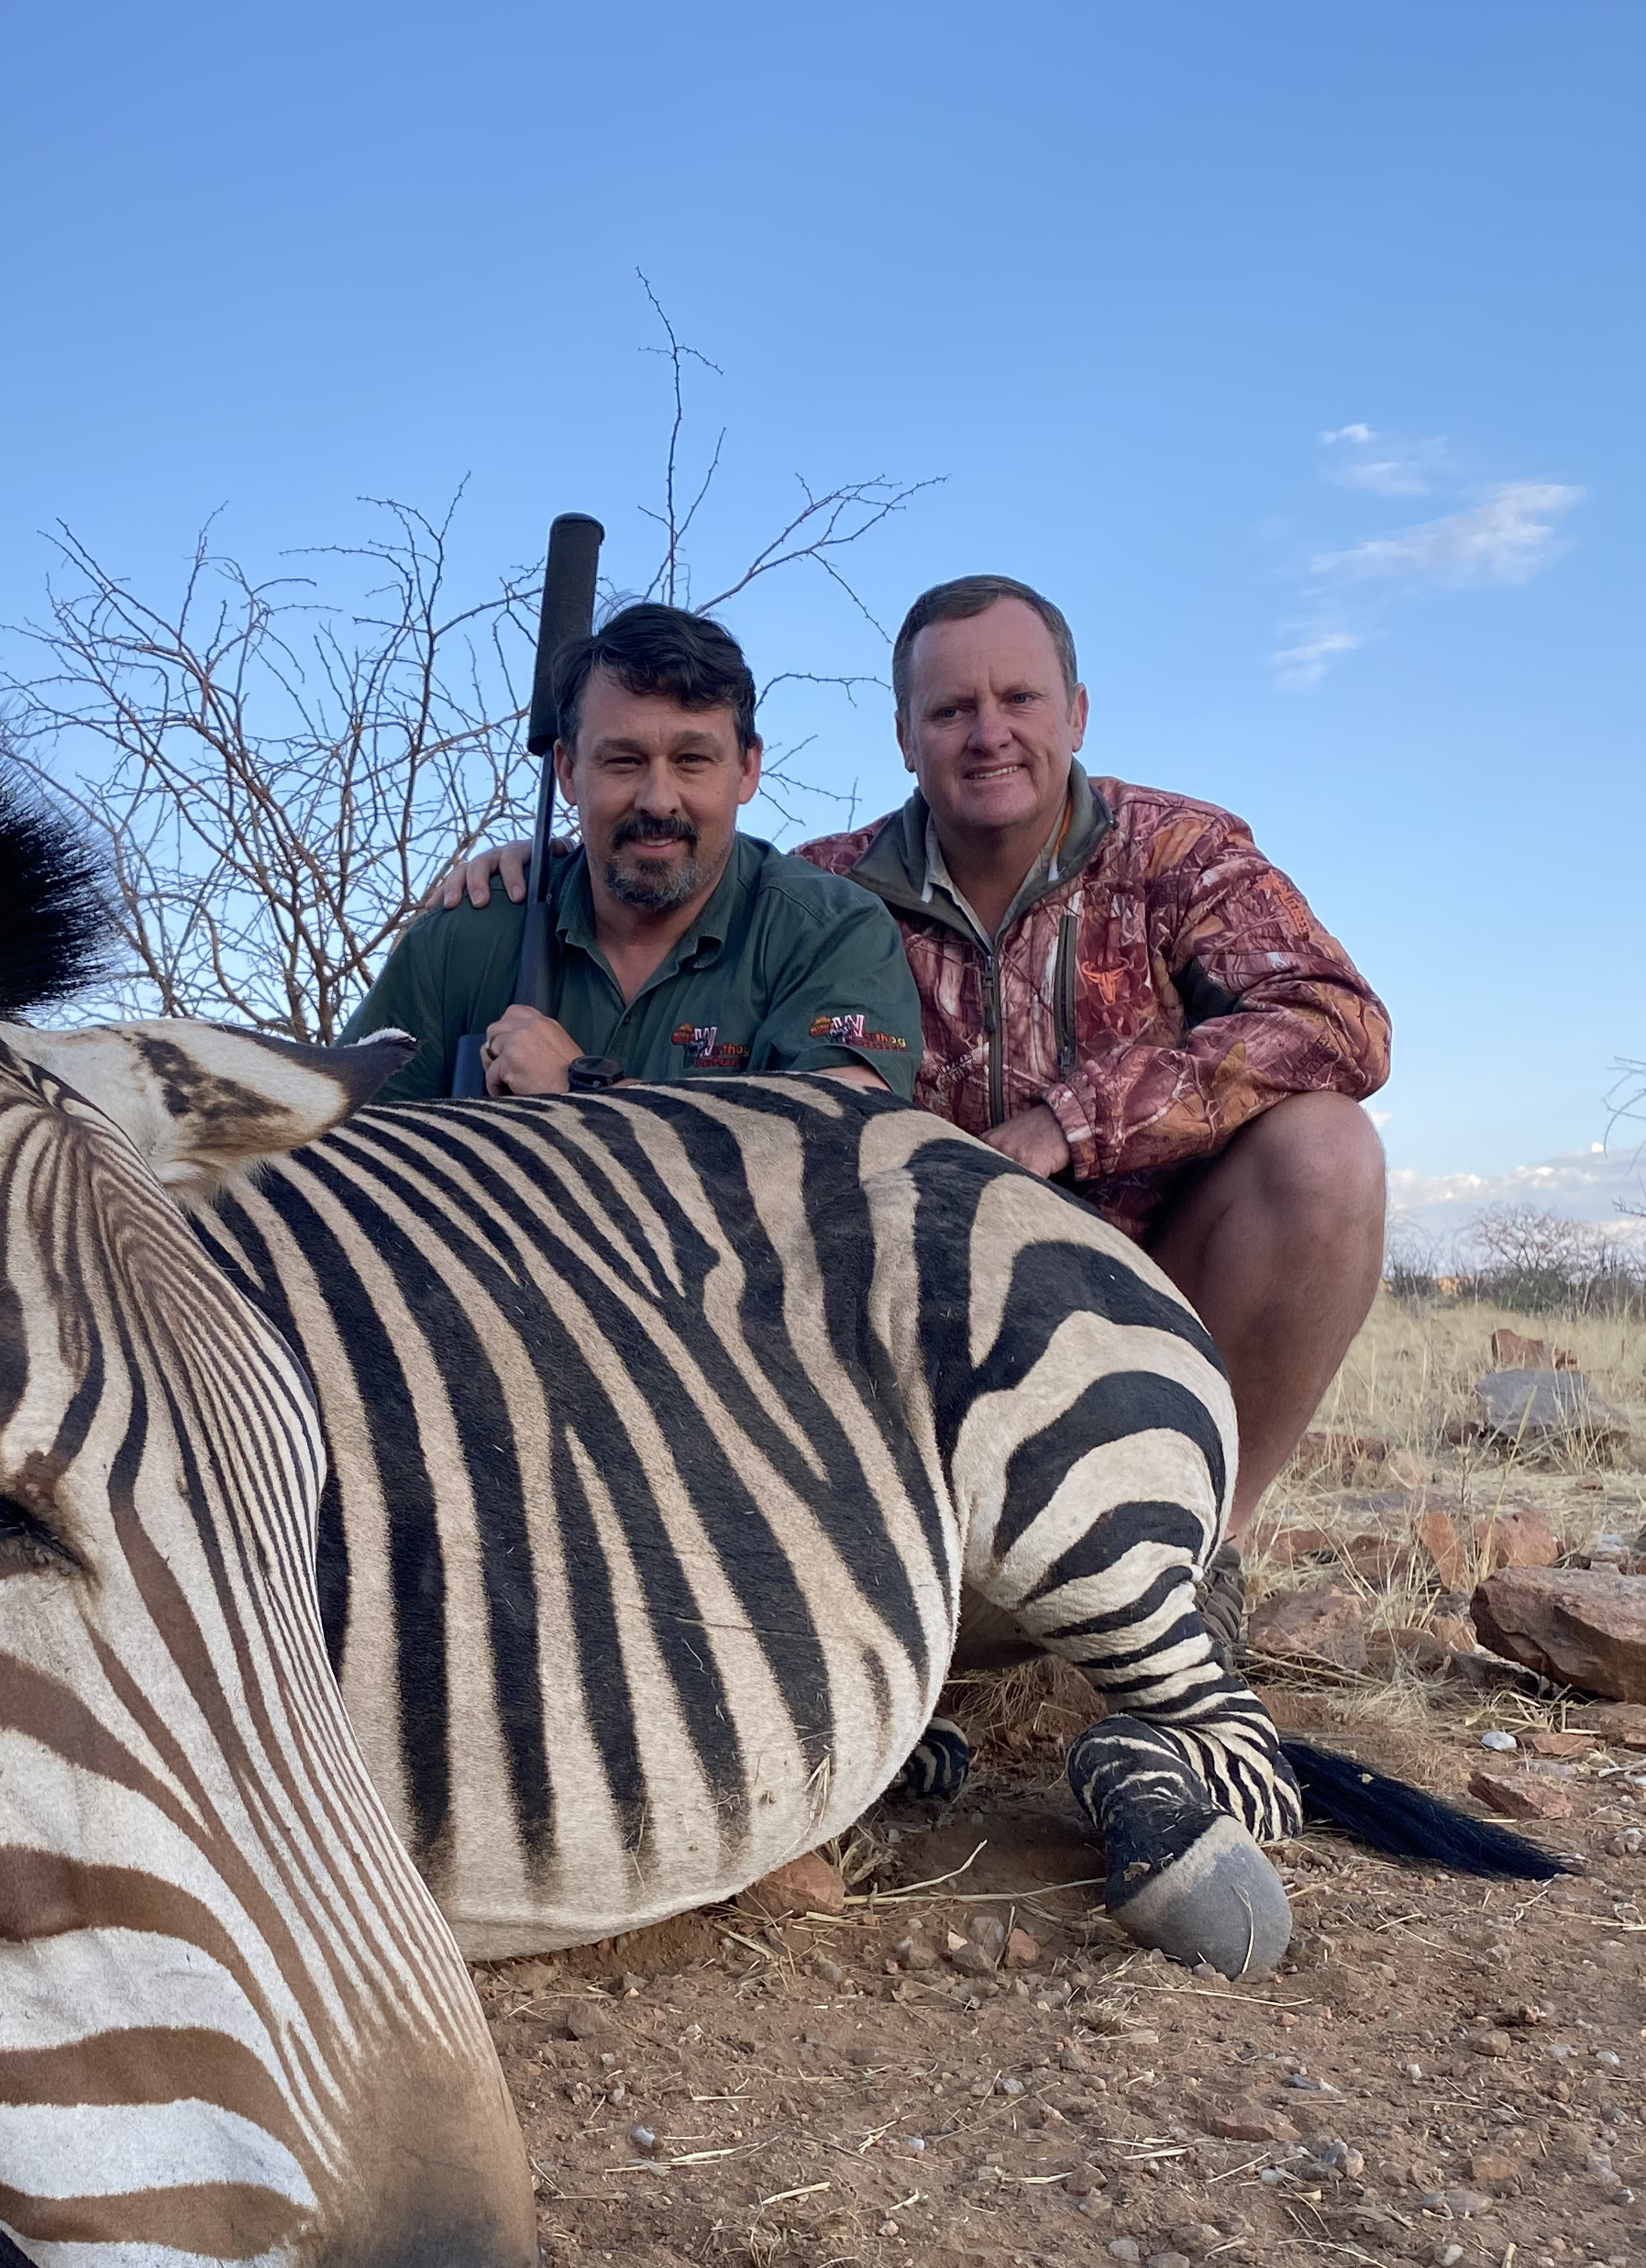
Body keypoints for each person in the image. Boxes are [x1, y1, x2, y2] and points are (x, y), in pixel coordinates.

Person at [431, 576, 1386, 1550]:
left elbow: (1335, 1019)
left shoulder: (1180, 850)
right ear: (903, 736)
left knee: (1327, 1152)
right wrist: (552, 868)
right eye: (950, 709)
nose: (988, 734)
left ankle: (1200, 1550)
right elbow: (685, 862)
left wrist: (1073, 1125)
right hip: (921, 1321)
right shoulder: (823, 893)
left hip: (1150, 1281)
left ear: (1079, 713)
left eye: (1019, 699)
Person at [343, 603, 919, 1102]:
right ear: (568, 771)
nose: (657, 800)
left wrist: (580, 1089)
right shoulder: (463, 937)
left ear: (747, 769)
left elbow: (841, 1149)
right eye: (623, 761)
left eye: (692, 759)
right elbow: (334, 1154)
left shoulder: (833, 932)